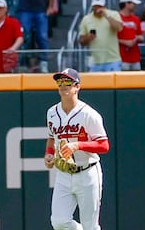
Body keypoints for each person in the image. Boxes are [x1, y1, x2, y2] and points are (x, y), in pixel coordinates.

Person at [44, 68, 111, 230]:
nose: (62, 85)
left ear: (77, 86)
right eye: (60, 81)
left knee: (90, 225)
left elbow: (104, 145)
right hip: (64, 174)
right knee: (59, 222)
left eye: (67, 82)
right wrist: (49, 154)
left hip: (88, 172)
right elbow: (52, 137)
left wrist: (78, 145)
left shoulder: (89, 114)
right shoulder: (52, 112)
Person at [79, 0, 124, 72]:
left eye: (100, 6)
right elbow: (81, 41)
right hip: (95, 61)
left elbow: (119, 28)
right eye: (96, 6)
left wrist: (107, 16)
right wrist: (88, 38)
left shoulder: (114, 14)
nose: (98, 8)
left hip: (112, 60)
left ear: (104, 6)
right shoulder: (86, 19)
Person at [118, 0, 144, 71]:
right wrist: (126, 42)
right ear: (127, 3)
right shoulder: (117, 18)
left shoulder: (136, 19)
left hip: (135, 57)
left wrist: (138, 38)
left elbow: (141, 36)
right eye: (133, 3)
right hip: (122, 57)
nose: (134, 5)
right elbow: (112, 38)